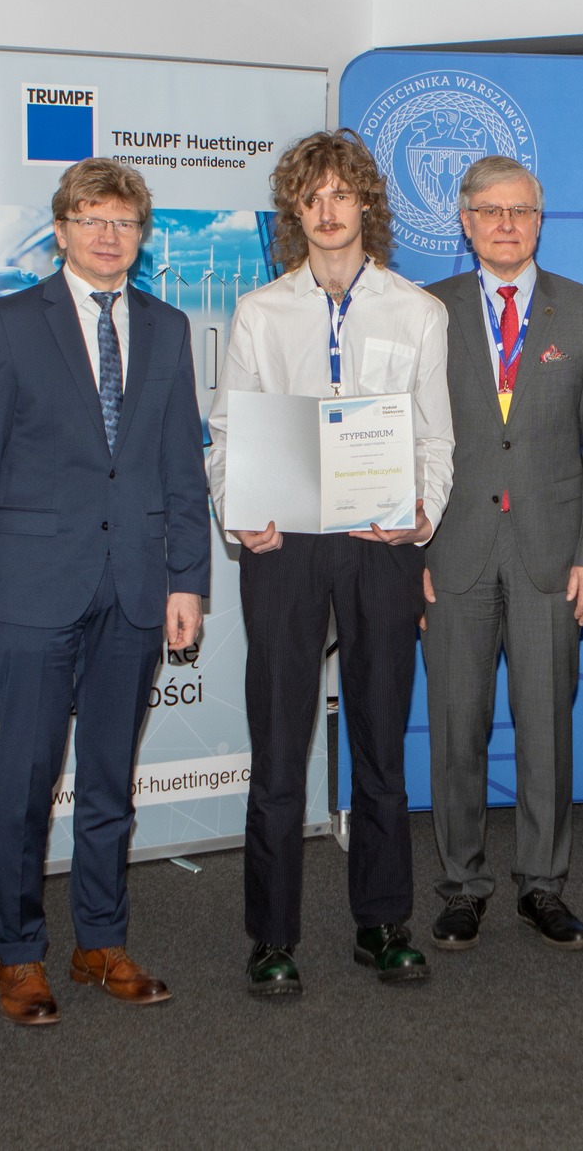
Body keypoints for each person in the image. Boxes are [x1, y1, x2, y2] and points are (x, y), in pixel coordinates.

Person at [0, 158, 209, 1026]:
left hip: (134, 585)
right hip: (28, 589)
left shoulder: (167, 327)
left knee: (108, 780)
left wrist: (188, 579)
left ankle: (101, 939)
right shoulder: (11, 322)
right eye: (91, 219)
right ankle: (18, 952)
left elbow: (181, 465)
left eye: (123, 221)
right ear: (60, 230)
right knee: (23, 782)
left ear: (142, 235)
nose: (108, 235)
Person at [206, 128, 453, 996]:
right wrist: (240, 511)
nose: (328, 209)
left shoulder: (417, 311)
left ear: (366, 205)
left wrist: (422, 515)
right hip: (285, 544)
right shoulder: (261, 312)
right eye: (312, 196)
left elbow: (435, 437)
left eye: (342, 193)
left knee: (379, 740)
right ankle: (271, 935)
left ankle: (383, 923)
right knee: (279, 746)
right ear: (295, 211)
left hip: (380, 544)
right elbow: (228, 434)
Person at [420, 155, 583, 952]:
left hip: (552, 557)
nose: (507, 224)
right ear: (465, 221)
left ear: (541, 221)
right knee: (455, 728)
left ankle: (543, 884)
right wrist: (407, 556)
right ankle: (462, 886)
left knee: (546, 729)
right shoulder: (426, 310)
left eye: (522, 211)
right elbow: (401, 440)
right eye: (491, 210)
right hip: (451, 554)